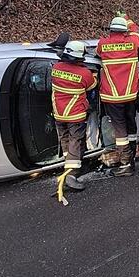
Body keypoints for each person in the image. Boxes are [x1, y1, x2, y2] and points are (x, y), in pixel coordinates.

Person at [97, 15, 139, 177]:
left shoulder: (103, 44)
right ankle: (131, 156)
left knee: (120, 131)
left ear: (110, 30)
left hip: (111, 96)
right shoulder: (132, 42)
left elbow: (97, 53)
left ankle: (126, 164)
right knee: (130, 125)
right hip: (130, 95)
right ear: (125, 31)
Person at [51, 40, 97, 192]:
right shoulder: (84, 73)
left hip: (59, 113)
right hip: (75, 114)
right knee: (75, 141)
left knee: (65, 139)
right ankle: (71, 174)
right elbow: (92, 85)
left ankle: (68, 163)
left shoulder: (56, 67)